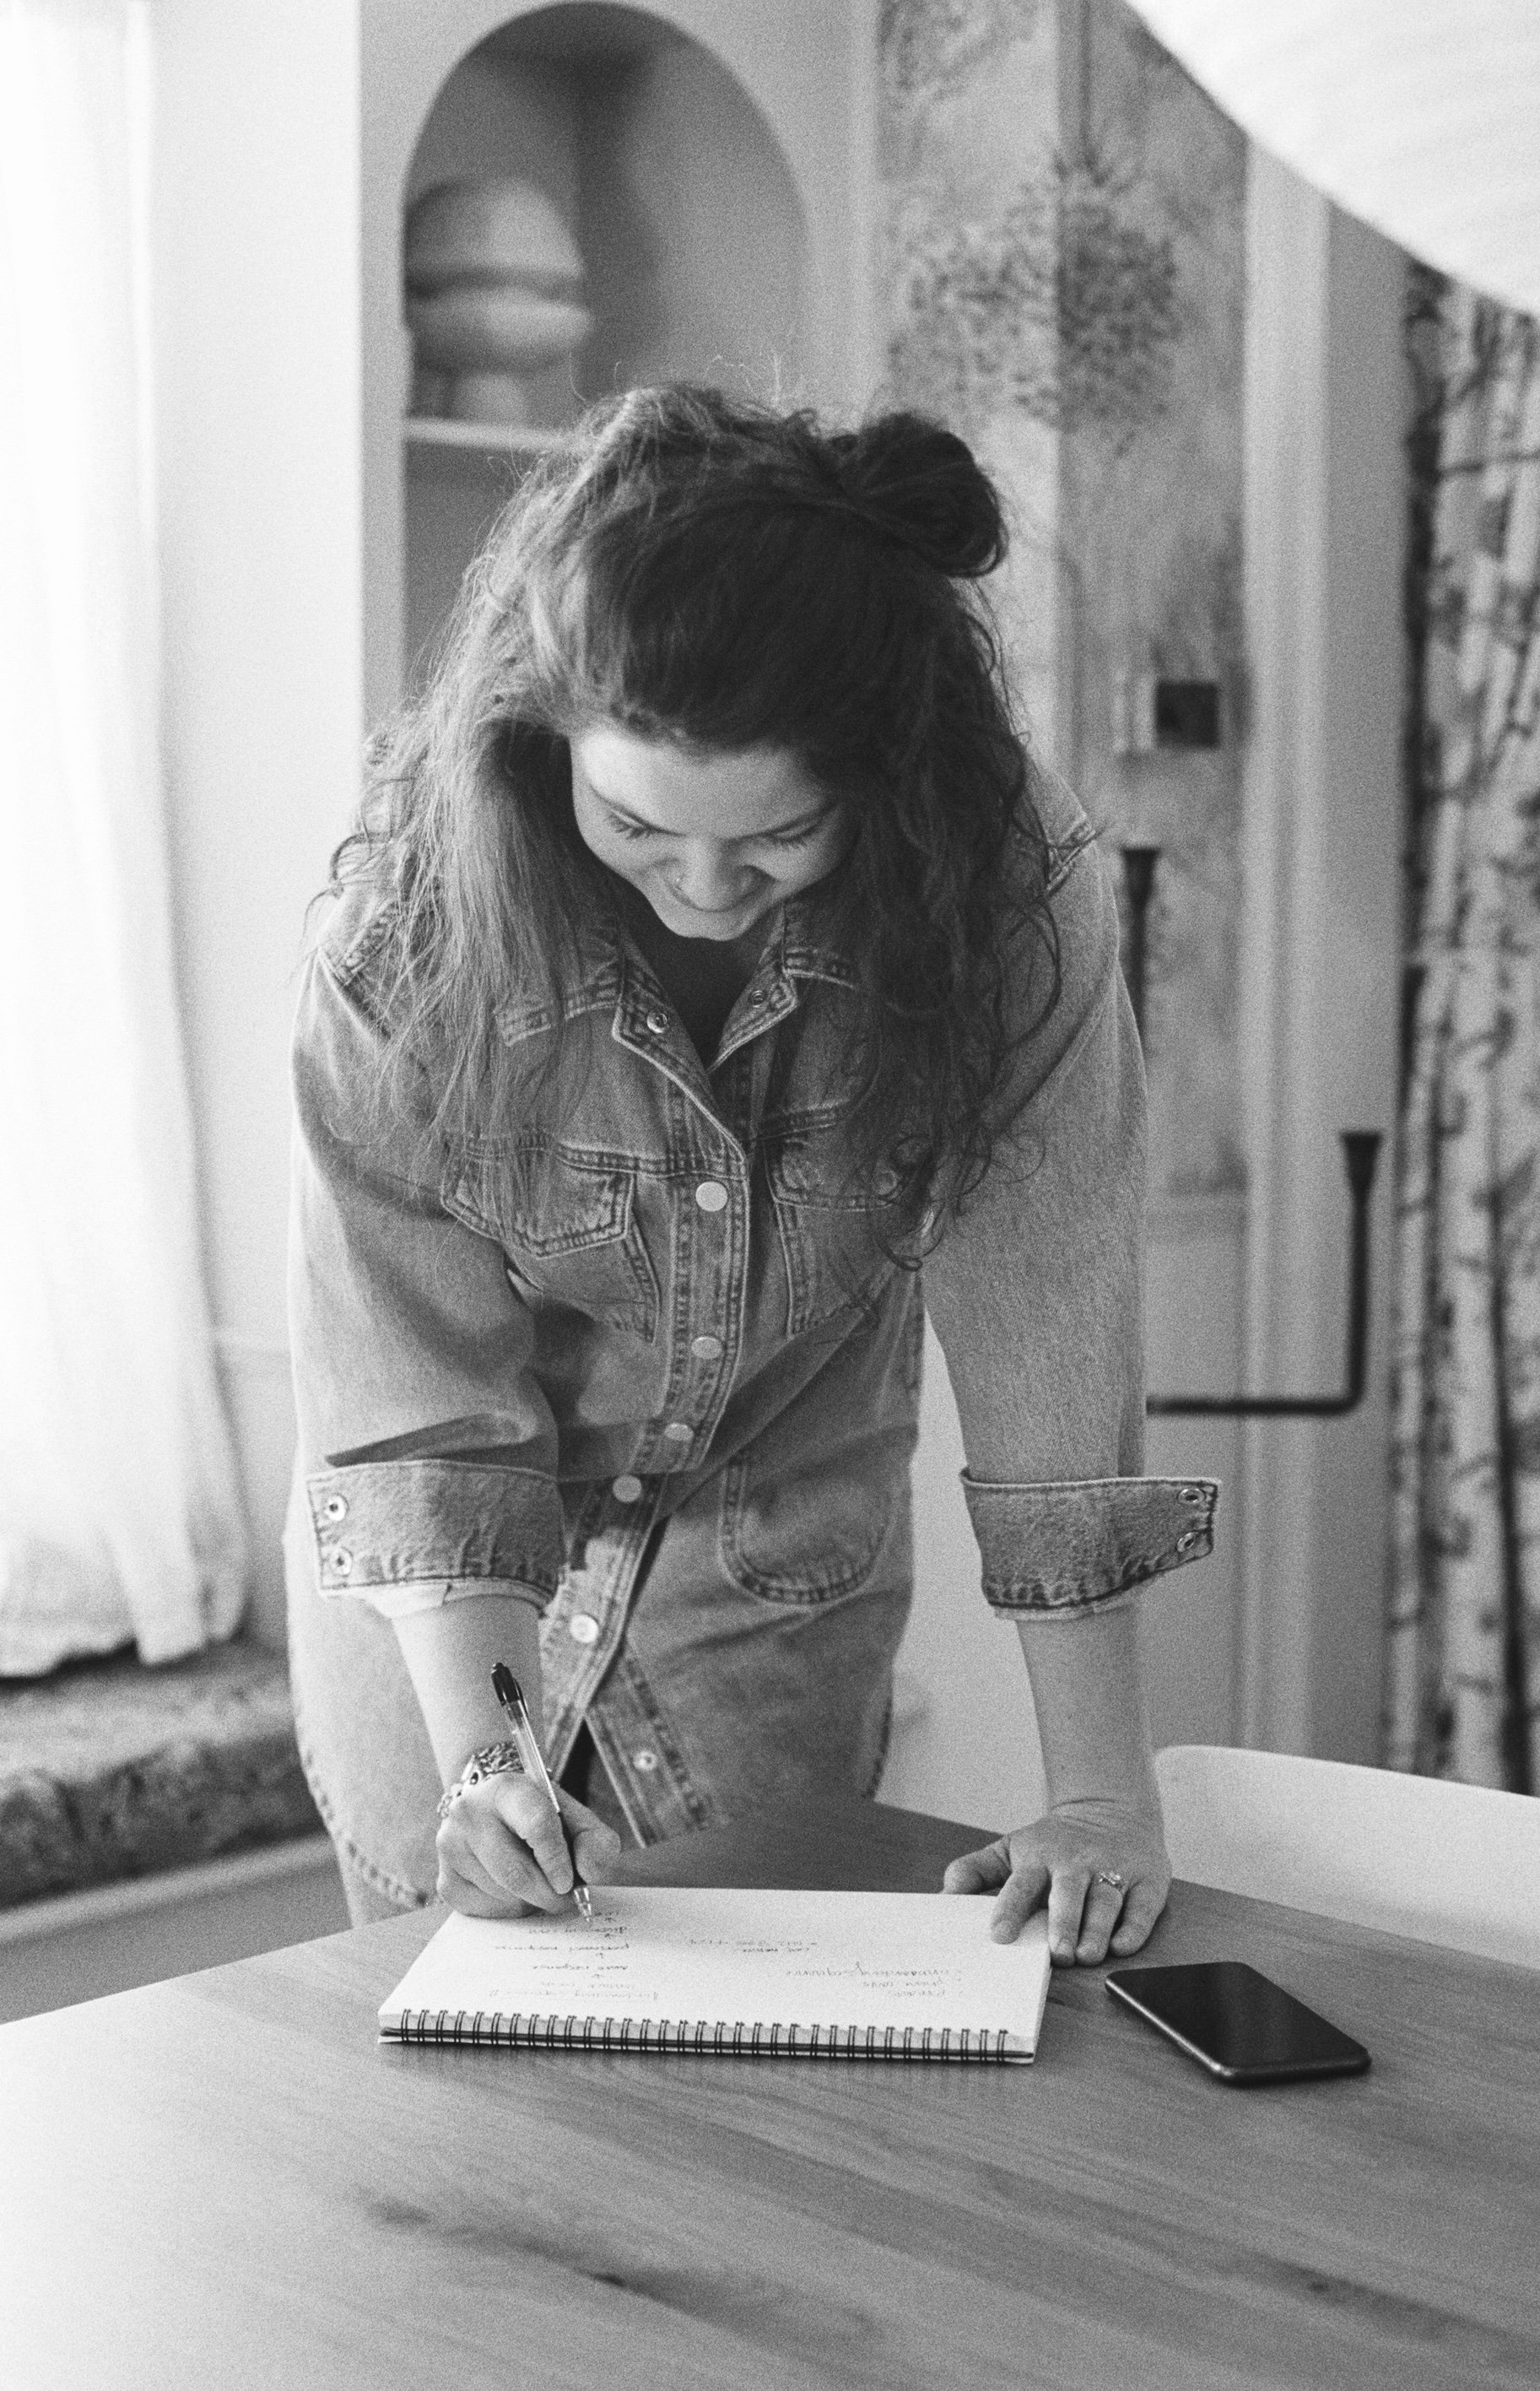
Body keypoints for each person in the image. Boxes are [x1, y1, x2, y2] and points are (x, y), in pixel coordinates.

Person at [284, 384, 1216, 1965]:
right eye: (638, 821)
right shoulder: (406, 930)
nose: (706, 886)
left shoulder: (1003, 898)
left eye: (780, 837)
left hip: (777, 1595)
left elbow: (1049, 1340)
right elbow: (420, 1409)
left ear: (887, 781)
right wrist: (489, 1767)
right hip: (441, 1620)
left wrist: (1104, 1793)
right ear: (542, 728)